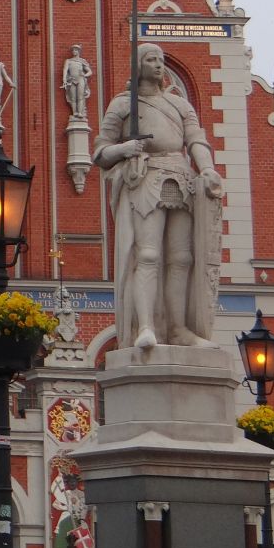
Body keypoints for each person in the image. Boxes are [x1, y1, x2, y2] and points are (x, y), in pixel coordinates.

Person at [92, 42, 223, 350]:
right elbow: (101, 152)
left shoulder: (179, 105)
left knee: (182, 257)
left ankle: (178, 329)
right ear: (138, 65)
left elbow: (196, 139)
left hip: (181, 178)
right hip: (146, 178)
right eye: (151, 59)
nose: (158, 65)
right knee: (148, 254)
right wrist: (124, 149)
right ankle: (146, 326)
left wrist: (207, 169)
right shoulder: (123, 104)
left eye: (160, 60)